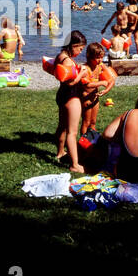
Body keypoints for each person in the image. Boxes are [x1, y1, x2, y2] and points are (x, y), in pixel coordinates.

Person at [53, 30, 88, 173]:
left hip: (61, 95)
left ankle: (60, 153)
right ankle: (75, 164)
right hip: (71, 96)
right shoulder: (67, 60)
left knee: (62, 127)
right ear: (73, 45)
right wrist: (82, 73)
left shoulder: (60, 56)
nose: (80, 52)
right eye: (80, 48)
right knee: (72, 132)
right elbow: (71, 83)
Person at [78, 43, 115, 134]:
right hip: (86, 98)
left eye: (101, 57)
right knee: (86, 122)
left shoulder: (101, 66)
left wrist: (106, 90)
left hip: (95, 98)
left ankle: (92, 143)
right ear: (89, 56)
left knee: (93, 122)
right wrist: (102, 82)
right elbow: (87, 85)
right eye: (97, 58)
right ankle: (83, 145)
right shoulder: (85, 68)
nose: (100, 60)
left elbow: (112, 79)